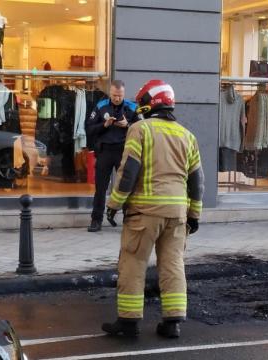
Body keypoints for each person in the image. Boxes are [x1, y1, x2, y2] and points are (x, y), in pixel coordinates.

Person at [101, 80, 204, 338]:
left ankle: (128, 322)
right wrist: (194, 215)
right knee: (172, 264)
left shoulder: (139, 130)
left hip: (144, 213)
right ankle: (173, 323)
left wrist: (114, 204)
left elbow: (128, 173)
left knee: (133, 263)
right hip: (177, 215)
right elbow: (197, 180)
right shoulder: (187, 135)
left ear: (150, 103)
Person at [86, 80, 139, 232]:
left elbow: (142, 129)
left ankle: (129, 219)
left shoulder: (132, 107)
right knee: (100, 188)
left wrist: (127, 126)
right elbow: (89, 128)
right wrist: (104, 125)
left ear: (124, 93)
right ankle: (96, 220)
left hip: (124, 151)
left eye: (120, 96)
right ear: (110, 93)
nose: (117, 98)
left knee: (127, 186)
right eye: (115, 95)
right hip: (105, 151)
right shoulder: (101, 106)